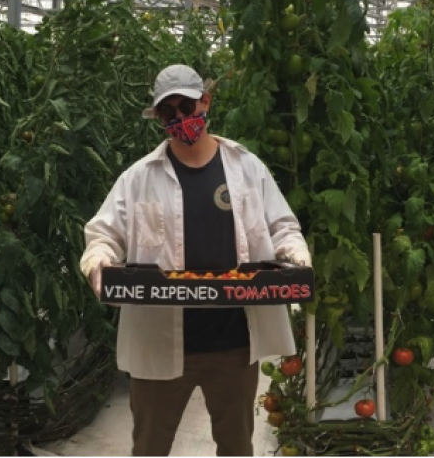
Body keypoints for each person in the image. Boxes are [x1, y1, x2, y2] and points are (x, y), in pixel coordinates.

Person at [81, 65, 311, 457]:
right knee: (150, 446)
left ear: (206, 101)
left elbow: (282, 226)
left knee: (236, 446)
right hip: (160, 343)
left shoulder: (246, 168)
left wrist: (295, 251)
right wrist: (99, 262)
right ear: (158, 119)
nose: (182, 120)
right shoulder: (138, 178)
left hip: (233, 343)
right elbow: (103, 234)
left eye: (187, 106)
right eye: (169, 113)